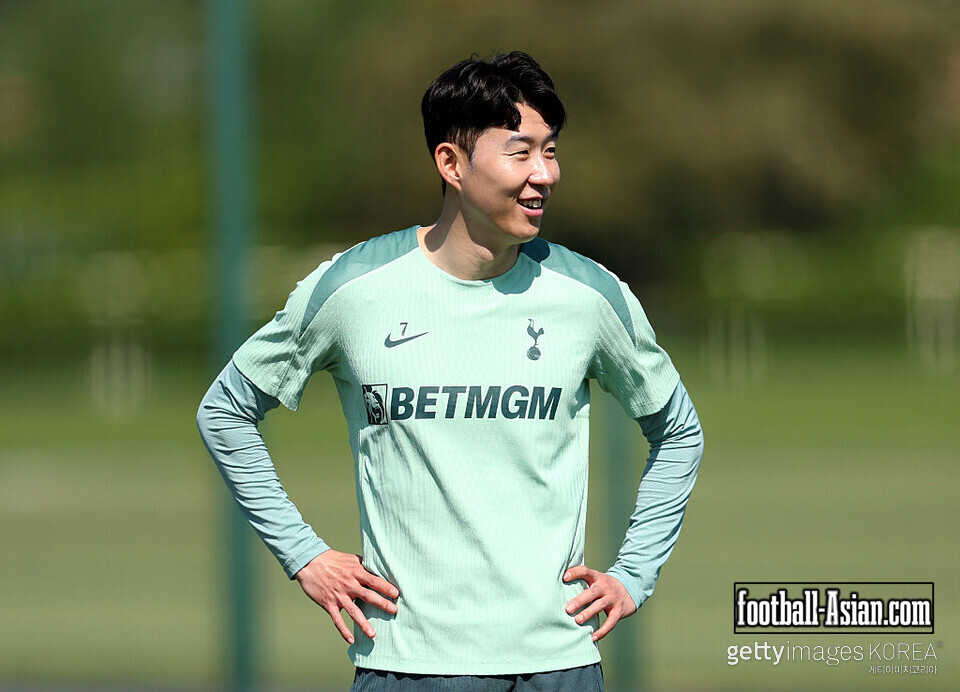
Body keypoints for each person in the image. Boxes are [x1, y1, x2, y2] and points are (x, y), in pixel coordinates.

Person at [197, 51, 704, 692]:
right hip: (405, 667)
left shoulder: (589, 296)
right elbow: (225, 412)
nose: (545, 173)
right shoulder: (353, 289)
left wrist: (634, 573)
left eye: (551, 151)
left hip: (558, 667)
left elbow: (679, 431)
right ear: (451, 163)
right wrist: (305, 556)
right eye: (521, 153)